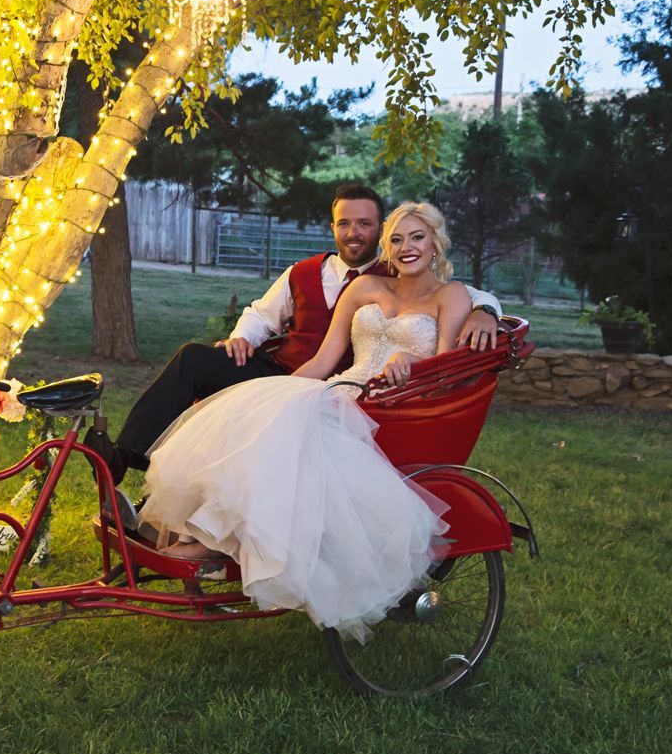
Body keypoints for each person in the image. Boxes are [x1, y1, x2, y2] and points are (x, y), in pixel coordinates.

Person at [138, 201, 467, 640]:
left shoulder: (452, 296)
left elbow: (445, 368)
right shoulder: (366, 287)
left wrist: (413, 358)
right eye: (397, 239)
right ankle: (211, 539)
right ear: (386, 247)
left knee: (289, 441)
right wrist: (276, 394)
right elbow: (324, 360)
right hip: (342, 388)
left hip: (396, 405)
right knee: (263, 419)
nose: (407, 247)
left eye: (417, 237)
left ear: (435, 243)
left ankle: (211, 543)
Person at [86, 184, 502, 486]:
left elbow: (459, 295)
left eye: (364, 224)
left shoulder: (398, 273)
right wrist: (241, 336)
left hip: (353, 392)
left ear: (378, 231)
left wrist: (486, 310)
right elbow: (261, 314)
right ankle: (125, 456)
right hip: (287, 371)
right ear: (333, 227)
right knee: (195, 358)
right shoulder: (304, 272)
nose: (354, 232)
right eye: (344, 224)